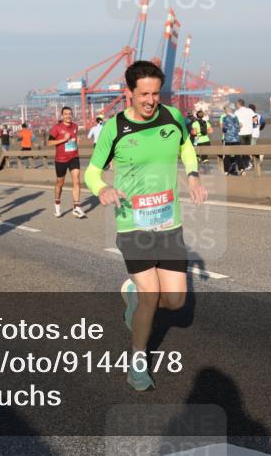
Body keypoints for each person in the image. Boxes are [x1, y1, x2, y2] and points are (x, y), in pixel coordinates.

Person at [84, 60, 207, 391]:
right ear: (130, 93)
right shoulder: (115, 127)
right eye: (144, 95)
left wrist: (193, 176)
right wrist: (103, 189)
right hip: (133, 224)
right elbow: (92, 172)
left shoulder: (173, 117)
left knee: (176, 302)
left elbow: (186, 146)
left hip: (169, 223)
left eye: (155, 94)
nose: (151, 101)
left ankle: (132, 298)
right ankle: (137, 364)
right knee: (151, 296)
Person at [47, 106, 86, 218]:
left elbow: (73, 138)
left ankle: (76, 207)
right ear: (62, 115)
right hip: (61, 159)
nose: (68, 116)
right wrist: (63, 139)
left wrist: (77, 140)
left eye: (70, 114)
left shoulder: (75, 126)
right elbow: (49, 142)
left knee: (76, 181)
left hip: (74, 157)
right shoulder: (57, 128)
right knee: (60, 183)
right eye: (66, 114)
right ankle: (57, 205)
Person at [234, 99, 256, 170]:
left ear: (239, 104)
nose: (236, 105)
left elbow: (234, 122)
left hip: (241, 133)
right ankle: (248, 163)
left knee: (242, 150)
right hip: (249, 132)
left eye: (236, 104)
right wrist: (254, 126)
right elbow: (255, 118)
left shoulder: (237, 112)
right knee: (248, 148)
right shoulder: (250, 110)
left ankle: (246, 164)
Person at [221, 104, 242, 175]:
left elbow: (224, 129)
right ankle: (241, 169)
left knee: (227, 155)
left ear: (227, 110)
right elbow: (238, 128)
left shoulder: (225, 118)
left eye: (225, 110)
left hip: (228, 139)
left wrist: (225, 130)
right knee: (237, 154)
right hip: (236, 139)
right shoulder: (236, 117)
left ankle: (226, 170)